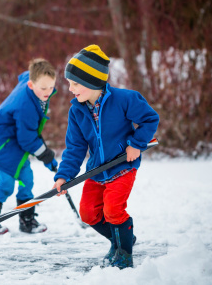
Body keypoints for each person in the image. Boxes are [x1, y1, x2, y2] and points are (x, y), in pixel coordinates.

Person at [52, 45, 159, 269]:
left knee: (113, 211)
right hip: (96, 171)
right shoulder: (77, 111)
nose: (71, 89)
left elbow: (150, 119)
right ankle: (119, 240)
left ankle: (124, 255)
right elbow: (75, 148)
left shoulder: (124, 99)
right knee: (88, 213)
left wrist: (136, 144)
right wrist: (64, 176)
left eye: (75, 83)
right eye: (69, 83)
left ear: (92, 82)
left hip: (122, 166)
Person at [0, 58, 58, 235]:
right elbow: (27, 139)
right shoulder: (26, 106)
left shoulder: (32, 84)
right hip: (1, 144)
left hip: (13, 142)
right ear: (31, 85)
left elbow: (25, 75)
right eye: (43, 88)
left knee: (27, 180)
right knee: (6, 183)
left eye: (51, 86)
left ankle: (27, 221)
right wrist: (46, 155)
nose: (48, 92)